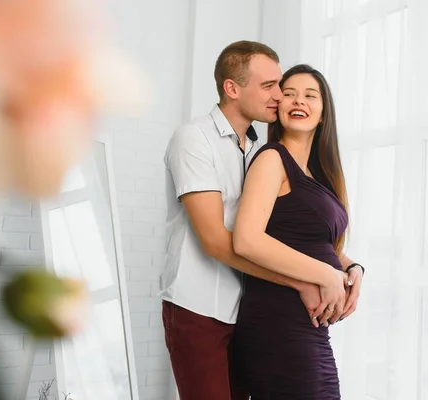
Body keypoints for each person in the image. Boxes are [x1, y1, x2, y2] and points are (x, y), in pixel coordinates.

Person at [160, 42, 329, 400]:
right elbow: (216, 241)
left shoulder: (258, 149)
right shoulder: (193, 139)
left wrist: (351, 268)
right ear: (232, 89)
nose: (279, 95)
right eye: (268, 86)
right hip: (198, 309)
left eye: (278, 85)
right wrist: (300, 281)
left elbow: (288, 233)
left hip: (247, 313)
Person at [232, 64, 365, 399]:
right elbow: (246, 239)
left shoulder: (317, 174)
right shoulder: (272, 159)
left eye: (309, 95)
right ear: (277, 109)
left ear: (323, 114)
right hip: (277, 322)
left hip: (308, 326)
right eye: (288, 94)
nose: (297, 101)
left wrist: (351, 268)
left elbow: (313, 240)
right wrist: (326, 274)